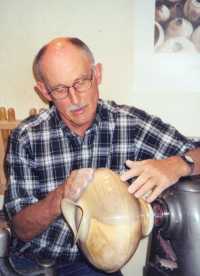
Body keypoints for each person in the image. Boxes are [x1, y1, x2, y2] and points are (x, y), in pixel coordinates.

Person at [4, 37, 200, 276]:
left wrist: (179, 164)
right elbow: (20, 228)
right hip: (30, 263)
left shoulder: (130, 125)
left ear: (97, 74)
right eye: (60, 89)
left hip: (94, 264)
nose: (75, 99)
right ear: (44, 91)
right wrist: (62, 196)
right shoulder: (26, 137)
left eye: (81, 82)